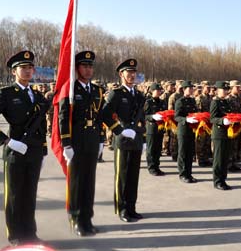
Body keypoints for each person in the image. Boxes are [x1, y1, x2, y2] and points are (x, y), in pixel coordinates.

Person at [0, 50, 48, 246]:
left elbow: (41, 126)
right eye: (23, 68)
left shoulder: (36, 94)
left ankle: (30, 232)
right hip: (15, 153)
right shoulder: (6, 94)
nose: (27, 71)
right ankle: (16, 235)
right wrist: (7, 141)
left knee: (30, 194)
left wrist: (43, 151)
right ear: (14, 72)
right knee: (15, 196)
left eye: (30, 68)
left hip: (34, 152)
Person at [59, 51, 105, 236]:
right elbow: (63, 117)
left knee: (89, 181)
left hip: (92, 140)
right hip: (76, 142)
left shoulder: (97, 91)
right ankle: (76, 218)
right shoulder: (70, 89)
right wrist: (66, 144)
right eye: (84, 66)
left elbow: (100, 116)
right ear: (77, 68)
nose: (88, 70)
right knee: (77, 182)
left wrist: (101, 139)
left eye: (90, 66)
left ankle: (87, 218)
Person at [102, 58, 146, 223]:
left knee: (133, 176)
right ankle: (122, 209)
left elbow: (142, 118)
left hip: (135, 140)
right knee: (122, 177)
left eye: (134, 72)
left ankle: (132, 208)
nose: (132, 75)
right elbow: (105, 114)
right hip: (122, 141)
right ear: (121, 74)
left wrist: (144, 137)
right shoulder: (117, 94)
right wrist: (119, 130)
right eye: (129, 72)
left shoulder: (139, 95)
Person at [174, 80, 199, 183]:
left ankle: (189, 173)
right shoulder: (180, 101)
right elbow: (176, 117)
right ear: (184, 89)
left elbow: (195, 112)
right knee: (183, 152)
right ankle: (183, 174)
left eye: (192, 88)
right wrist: (186, 119)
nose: (191, 89)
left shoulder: (193, 101)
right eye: (189, 88)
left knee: (190, 153)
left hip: (191, 129)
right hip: (183, 130)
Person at [210, 81, 233, 190]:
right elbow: (212, 118)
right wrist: (222, 121)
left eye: (226, 90)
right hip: (218, 134)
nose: (226, 91)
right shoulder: (215, 102)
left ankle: (223, 179)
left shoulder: (226, 102)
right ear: (218, 91)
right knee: (218, 159)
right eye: (224, 90)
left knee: (225, 158)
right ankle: (217, 181)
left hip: (227, 133)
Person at [144, 82, 167, 176]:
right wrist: (152, 117)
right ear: (152, 91)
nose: (159, 92)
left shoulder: (162, 102)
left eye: (159, 90)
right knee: (151, 149)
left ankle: (157, 167)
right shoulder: (148, 102)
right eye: (157, 90)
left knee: (158, 149)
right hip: (151, 128)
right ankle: (151, 167)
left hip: (160, 128)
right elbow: (144, 115)